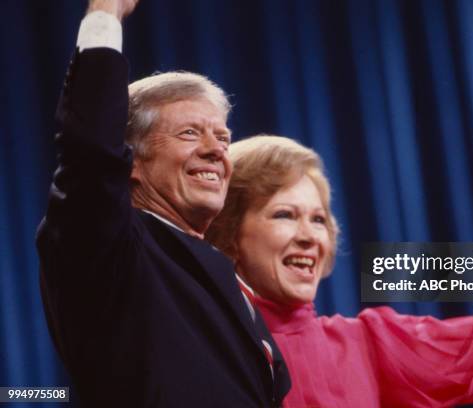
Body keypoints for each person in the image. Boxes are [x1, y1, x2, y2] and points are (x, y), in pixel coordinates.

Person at [207, 111, 473, 407]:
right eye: (284, 215)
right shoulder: (198, 345)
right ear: (229, 234)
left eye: (318, 219)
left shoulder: (367, 345)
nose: (309, 236)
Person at [36, 1, 290, 406]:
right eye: (190, 133)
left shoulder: (226, 278)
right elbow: (90, 149)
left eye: (222, 138)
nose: (215, 151)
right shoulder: (111, 246)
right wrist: (105, 13)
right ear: (131, 160)